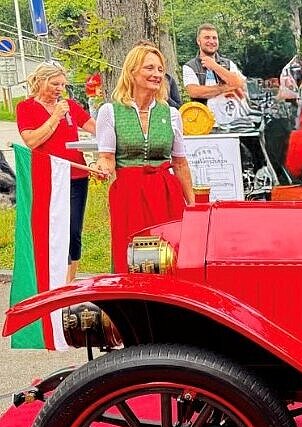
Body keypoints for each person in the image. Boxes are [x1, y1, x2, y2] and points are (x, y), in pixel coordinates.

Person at [95, 44, 195, 273]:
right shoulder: (110, 111)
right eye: (149, 68)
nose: (157, 74)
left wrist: (193, 206)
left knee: (167, 254)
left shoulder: (171, 113)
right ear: (132, 71)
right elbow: (107, 158)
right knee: (133, 256)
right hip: (128, 193)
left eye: (160, 69)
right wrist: (101, 167)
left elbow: (179, 163)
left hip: (165, 192)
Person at [17, 63, 97, 282]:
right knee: (53, 229)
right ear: (40, 82)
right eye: (54, 83)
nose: (59, 88)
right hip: (48, 177)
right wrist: (55, 118)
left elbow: (94, 126)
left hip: (76, 175)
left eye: (62, 84)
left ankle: (69, 282)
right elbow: (32, 141)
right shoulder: (26, 108)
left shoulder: (70, 104)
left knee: (73, 230)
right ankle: (51, 278)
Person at [182, 23, 247, 125]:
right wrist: (224, 87)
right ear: (198, 41)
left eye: (214, 38)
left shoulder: (228, 64)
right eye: (207, 38)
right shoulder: (190, 66)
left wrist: (215, 66)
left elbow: (239, 83)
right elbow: (194, 92)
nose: (211, 41)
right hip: (204, 124)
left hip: (232, 124)